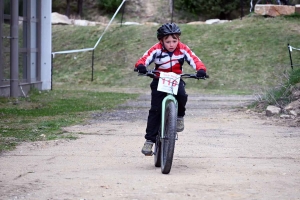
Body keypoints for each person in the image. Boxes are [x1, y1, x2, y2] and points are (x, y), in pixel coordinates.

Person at [134, 23, 207, 156]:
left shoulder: (183, 49)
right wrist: (141, 66)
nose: (171, 44)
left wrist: (201, 70)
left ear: (178, 39)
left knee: (182, 95)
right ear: (161, 41)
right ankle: (149, 141)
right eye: (168, 41)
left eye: (175, 41)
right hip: (159, 79)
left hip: (176, 79)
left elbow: (194, 59)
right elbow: (144, 59)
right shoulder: (156, 49)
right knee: (155, 110)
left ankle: (179, 116)